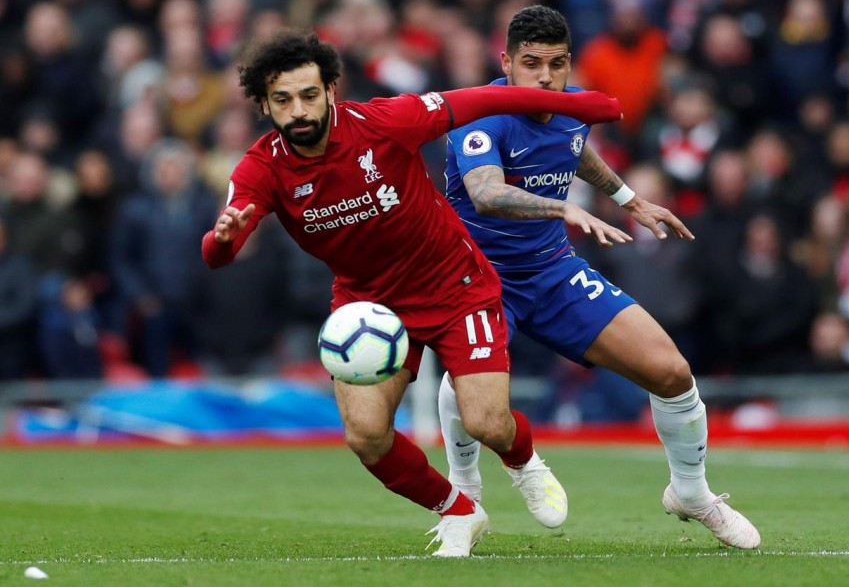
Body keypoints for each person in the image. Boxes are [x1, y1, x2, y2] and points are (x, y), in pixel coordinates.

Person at [200, 28, 624, 557]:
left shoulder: (385, 121)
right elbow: (217, 255)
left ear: (331, 90)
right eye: (283, 100)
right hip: (369, 308)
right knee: (365, 435)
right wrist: (224, 237)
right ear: (264, 105)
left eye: (309, 95)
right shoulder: (261, 167)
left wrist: (584, 105)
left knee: (487, 423)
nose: (299, 110)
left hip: (455, 285)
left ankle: (524, 463)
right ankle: (459, 510)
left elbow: (484, 99)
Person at [439, 5, 761, 549]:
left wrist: (630, 199)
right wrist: (561, 208)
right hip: (478, 277)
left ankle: (691, 492)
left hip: (552, 271)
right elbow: (485, 192)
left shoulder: (572, 110)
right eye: (531, 64)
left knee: (671, 371)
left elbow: (574, 150)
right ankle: (463, 495)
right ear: (506, 63)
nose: (545, 77)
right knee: (474, 396)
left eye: (556, 64)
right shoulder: (480, 115)